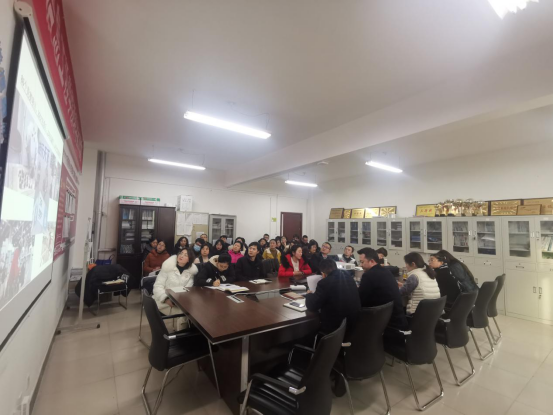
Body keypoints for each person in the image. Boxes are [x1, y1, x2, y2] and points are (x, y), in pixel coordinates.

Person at [305, 259, 361, 334]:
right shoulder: (350, 278)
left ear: (323, 273)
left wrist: (309, 294)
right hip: (353, 325)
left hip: (335, 328)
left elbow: (312, 306)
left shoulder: (325, 282)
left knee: (310, 331)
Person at [357, 247, 407, 329]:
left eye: (362, 262)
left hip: (386, 325)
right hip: (397, 321)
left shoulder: (368, 275)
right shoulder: (386, 271)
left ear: (372, 261)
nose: (361, 265)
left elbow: (360, 300)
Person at [153, 248, 198, 328]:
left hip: (179, 301)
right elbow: (157, 286)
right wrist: (165, 298)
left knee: (194, 311)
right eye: (181, 253)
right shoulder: (168, 268)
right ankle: (181, 334)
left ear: (189, 260)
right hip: (162, 301)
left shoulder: (190, 272)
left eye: (185, 255)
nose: (181, 256)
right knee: (185, 314)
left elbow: (188, 289)